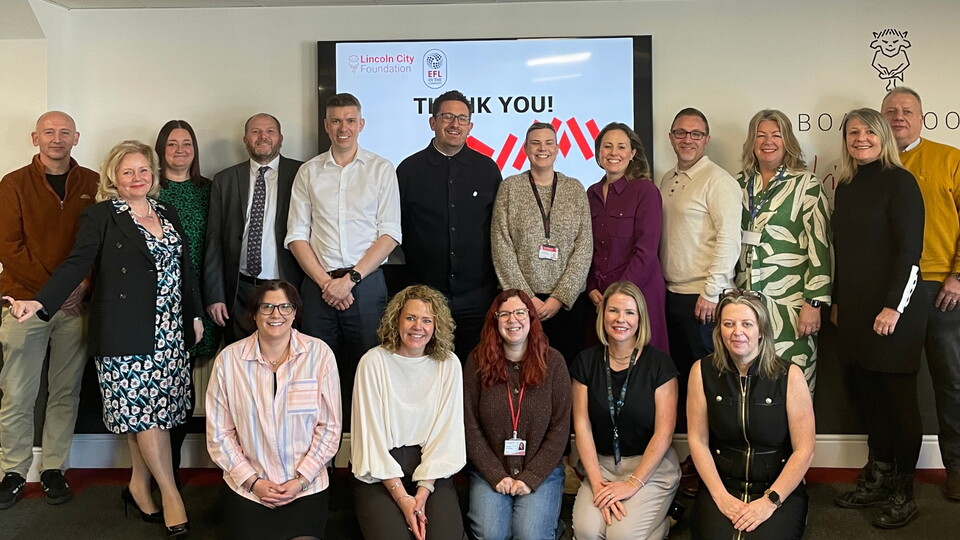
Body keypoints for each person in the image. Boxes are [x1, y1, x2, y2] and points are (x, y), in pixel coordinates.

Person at [4, 140, 203, 535]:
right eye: (127, 172)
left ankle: (137, 484)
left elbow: (184, 266)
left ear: (153, 174)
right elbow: (76, 263)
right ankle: (170, 494)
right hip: (123, 330)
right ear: (113, 177)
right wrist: (38, 302)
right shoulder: (100, 216)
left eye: (143, 170)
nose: (136, 178)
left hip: (168, 329)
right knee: (146, 416)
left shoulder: (168, 211)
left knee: (150, 415)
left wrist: (194, 313)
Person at [831, 108, 927, 529]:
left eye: (869, 131)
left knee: (897, 403)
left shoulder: (901, 182)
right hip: (852, 311)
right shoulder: (847, 186)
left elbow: (910, 253)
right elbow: (844, 253)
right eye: (853, 132)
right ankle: (879, 475)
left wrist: (894, 306)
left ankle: (903, 491)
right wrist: (835, 300)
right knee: (866, 396)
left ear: (883, 135)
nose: (861, 138)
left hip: (894, 312)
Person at [0, 111, 98, 509]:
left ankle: (54, 468)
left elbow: (101, 243)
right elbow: (8, 247)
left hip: (77, 306)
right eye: (48, 132)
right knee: (17, 393)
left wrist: (85, 284)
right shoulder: (12, 184)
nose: (56, 139)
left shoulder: (93, 182)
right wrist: (53, 292)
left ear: (77, 137)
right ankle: (13, 472)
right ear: (35, 138)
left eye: (64, 132)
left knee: (65, 392)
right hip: (23, 304)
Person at [286, 93, 401, 426]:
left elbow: (390, 234)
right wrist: (327, 283)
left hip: (365, 286)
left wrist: (349, 280)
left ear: (361, 124)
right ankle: (320, 464)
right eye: (336, 121)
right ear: (326, 125)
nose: (343, 128)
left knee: (369, 372)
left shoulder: (381, 170)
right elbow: (296, 235)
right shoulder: (309, 172)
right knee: (315, 375)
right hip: (318, 288)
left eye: (350, 121)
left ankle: (365, 462)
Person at [206, 280, 341, 540]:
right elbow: (219, 435)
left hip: (306, 486)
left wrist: (300, 481)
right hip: (249, 488)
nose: (275, 314)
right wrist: (253, 482)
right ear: (254, 313)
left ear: (295, 312)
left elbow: (330, 428)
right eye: (266, 307)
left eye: (284, 307)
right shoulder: (229, 360)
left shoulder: (320, 354)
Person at [881, 87, 960, 500]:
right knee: (895, 384)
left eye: (907, 111)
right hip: (895, 293)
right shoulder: (875, 165)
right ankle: (894, 473)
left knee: (952, 383)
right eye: (891, 111)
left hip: (943, 290)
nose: (899, 117)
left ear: (922, 118)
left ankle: (958, 469)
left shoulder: (949, 159)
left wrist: (958, 276)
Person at [687, 290, 815, 540]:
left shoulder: (790, 376)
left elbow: (805, 450)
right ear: (719, 330)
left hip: (777, 488)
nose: (737, 332)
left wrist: (770, 501)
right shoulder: (701, 372)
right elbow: (698, 441)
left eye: (747, 324)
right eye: (728, 324)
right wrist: (720, 496)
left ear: (762, 330)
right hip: (722, 484)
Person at [351, 285, 466, 540]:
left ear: (436, 326)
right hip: (380, 470)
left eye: (426, 320)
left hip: (431, 467)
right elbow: (371, 439)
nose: (418, 327)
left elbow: (446, 433)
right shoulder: (373, 362)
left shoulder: (448, 364)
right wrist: (403, 499)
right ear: (397, 320)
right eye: (411, 318)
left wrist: (423, 492)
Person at [396, 90, 502, 360]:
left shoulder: (487, 170)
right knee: (425, 366)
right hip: (425, 297)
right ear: (432, 122)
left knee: (477, 368)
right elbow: (398, 230)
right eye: (447, 117)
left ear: (470, 126)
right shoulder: (408, 170)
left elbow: (498, 231)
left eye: (462, 118)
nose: (455, 124)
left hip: (477, 295)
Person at [570, 281, 680, 540]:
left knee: (621, 536)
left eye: (630, 312)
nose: (621, 319)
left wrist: (632, 484)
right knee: (586, 533)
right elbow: (582, 426)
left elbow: (664, 433)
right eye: (613, 311)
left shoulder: (659, 364)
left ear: (640, 318)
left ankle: (664, 524)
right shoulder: (585, 362)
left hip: (649, 467)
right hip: (602, 466)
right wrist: (597, 483)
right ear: (602, 314)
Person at [734, 110, 832, 391]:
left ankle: (797, 437)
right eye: (760, 135)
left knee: (793, 382)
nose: (768, 141)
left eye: (776, 135)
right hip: (745, 303)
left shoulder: (806, 184)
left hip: (791, 304)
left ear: (787, 140)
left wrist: (813, 303)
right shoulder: (737, 184)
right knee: (751, 382)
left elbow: (820, 246)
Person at [464, 289, 572, 539]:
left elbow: (560, 428)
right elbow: (469, 425)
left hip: (541, 469)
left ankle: (553, 527)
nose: (513, 320)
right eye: (505, 314)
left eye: (520, 312)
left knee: (530, 534)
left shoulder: (553, 362)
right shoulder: (477, 361)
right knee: (491, 534)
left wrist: (531, 477)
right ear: (495, 320)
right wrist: (494, 473)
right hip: (490, 468)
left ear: (531, 318)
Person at [491, 122, 592, 365]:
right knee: (522, 369)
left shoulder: (575, 188)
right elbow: (500, 244)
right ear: (525, 148)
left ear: (557, 149)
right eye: (535, 143)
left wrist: (560, 296)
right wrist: (525, 298)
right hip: (520, 306)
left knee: (564, 369)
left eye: (549, 143)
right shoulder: (510, 188)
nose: (542, 148)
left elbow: (585, 246)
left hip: (567, 306)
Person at [205, 113, 304, 344]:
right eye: (255, 131)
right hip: (241, 290)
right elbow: (213, 242)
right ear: (245, 139)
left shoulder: (302, 174)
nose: (263, 137)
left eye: (270, 131)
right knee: (241, 363)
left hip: (287, 288)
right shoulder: (225, 179)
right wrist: (215, 296)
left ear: (280, 138)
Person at [154, 119, 217, 481]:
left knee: (185, 386)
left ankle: (173, 466)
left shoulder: (208, 190)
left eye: (187, 144)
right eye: (172, 144)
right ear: (161, 148)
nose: (180, 150)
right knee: (163, 387)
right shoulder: (149, 190)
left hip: (199, 299)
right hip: (159, 302)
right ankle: (162, 471)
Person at [587, 122, 668, 353]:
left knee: (642, 365)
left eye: (621, 147)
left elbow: (646, 251)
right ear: (598, 152)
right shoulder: (590, 193)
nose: (614, 153)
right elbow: (585, 247)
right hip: (598, 297)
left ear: (632, 153)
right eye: (607, 146)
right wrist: (591, 286)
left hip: (639, 293)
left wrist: (618, 295)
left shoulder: (645, 191)